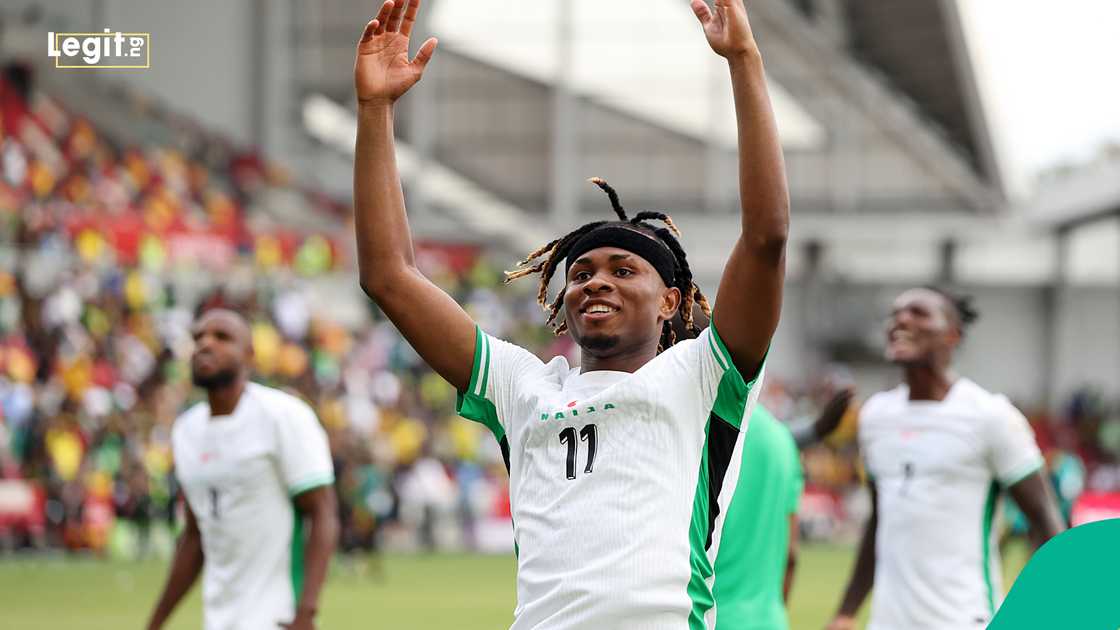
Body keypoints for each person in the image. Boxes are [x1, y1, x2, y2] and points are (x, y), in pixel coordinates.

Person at [352, 0, 789, 627]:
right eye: (580, 273)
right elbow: (389, 277)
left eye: (622, 270)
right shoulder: (522, 387)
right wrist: (374, 113)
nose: (594, 283)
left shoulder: (702, 378)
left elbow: (766, 238)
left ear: (671, 300)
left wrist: (743, 60)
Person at [827, 288, 1065, 630]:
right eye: (895, 314)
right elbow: (880, 521)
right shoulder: (875, 417)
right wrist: (846, 611)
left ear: (953, 334)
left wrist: (1051, 610)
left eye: (918, 313)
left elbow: (1044, 519)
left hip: (965, 621)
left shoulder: (991, 416)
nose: (901, 321)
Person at [146, 309, 339, 630]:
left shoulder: (283, 415)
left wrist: (306, 612)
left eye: (222, 337)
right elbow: (195, 537)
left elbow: (323, 512)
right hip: (219, 618)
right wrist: (155, 623)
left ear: (249, 355)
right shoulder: (186, 431)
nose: (205, 344)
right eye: (198, 338)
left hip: (278, 616)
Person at [713, 390, 850, 630]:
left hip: (709, 619)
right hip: (770, 621)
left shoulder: (697, 429)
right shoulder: (780, 440)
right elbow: (791, 556)